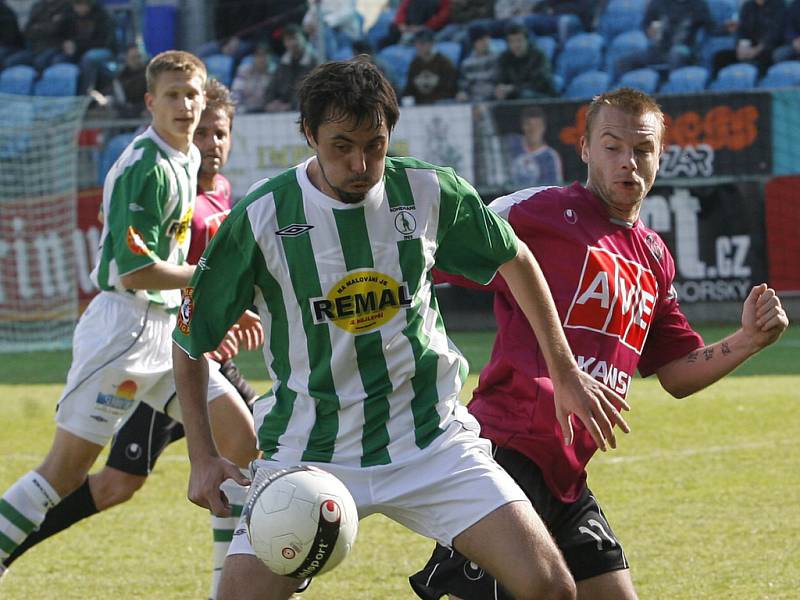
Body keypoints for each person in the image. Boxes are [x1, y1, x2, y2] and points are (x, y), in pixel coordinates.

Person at [172, 56, 632, 600]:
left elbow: (516, 258)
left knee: (552, 588)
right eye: (341, 145)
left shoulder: (428, 191)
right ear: (308, 134)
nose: (360, 163)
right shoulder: (262, 217)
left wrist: (566, 372)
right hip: (307, 451)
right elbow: (188, 340)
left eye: (375, 144)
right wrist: (202, 457)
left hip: (431, 443)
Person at [409, 87, 790, 600]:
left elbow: (675, 372)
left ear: (660, 156)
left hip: (568, 474)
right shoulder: (536, 212)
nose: (627, 162)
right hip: (506, 455)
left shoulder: (653, 255)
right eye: (612, 146)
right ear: (584, 148)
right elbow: (430, 256)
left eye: (642, 149)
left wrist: (747, 341)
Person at [0, 51, 259, 587]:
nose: (184, 105)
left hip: (165, 331)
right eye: (172, 95)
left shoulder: (186, 156)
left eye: (192, 94)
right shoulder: (145, 165)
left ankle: (228, 591)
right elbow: (136, 270)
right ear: (150, 102)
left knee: (241, 440)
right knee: (64, 474)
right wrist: (208, 279)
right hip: (125, 330)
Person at [613, 0, 715, 78]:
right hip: (659, 49)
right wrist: (649, 30)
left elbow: (711, 27)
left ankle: (673, 96)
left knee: (675, 55)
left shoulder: (697, 4)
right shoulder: (659, 2)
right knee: (623, 62)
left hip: (684, 48)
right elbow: (646, 24)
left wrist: (726, 28)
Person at [712, 0, 786, 75]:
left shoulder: (779, 6)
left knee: (766, 58)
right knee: (720, 57)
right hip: (749, 47)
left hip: (767, 49)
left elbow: (775, 33)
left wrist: (757, 49)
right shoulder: (748, 6)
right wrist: (742, 47)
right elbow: (742, 30)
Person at [60, 0, 116, 94]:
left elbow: (102, 41)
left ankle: (85, 95)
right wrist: (66, 44)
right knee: (58, 59)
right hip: (78, 50)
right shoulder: (69, 15)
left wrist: (77, 46)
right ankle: (64, 96)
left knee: (88, 58)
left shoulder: (101, 15)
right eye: (77, 4)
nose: (79, 8)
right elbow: (62, 35)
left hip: (105, 50)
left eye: (82, 4)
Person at [263, 23, 318, 113]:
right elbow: (271, 88)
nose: (292, 43)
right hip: (281, 112)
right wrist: (270, 103)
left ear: (303, 38)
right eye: (288, 40)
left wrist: (291, 106)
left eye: (295, 38)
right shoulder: (282, 64)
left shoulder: (315, 62)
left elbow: (313, 93)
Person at [495, 22, 556, 101]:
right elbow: (501, 79)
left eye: (519, 40)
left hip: (541, 96)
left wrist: (513, 88)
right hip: (514, 96)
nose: (516, 45)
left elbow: (540, 83)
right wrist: (501, 89)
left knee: (525, 95)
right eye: (511, 41)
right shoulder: (504, 58)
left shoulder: (539, 55)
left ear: (527, 40)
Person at [508, 105, 563, 187]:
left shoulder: (550, 156)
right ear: (523, 126)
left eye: (537, 125)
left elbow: (554, 188)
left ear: (543, 128)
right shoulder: (511, 145)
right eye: (528, 125)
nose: (533, 130)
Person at [402, 26, 457, 105]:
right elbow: (409, 89)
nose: (418, 47)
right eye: (416, 43)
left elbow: (450, 89)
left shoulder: (444, 63)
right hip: (419, 106)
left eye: (422, 43)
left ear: (431, 44)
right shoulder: (414, 64)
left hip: (440, 105)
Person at [378, 0, 451, 49]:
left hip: (428, 28)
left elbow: (442, 17)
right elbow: (402, 9)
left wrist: (422, 27)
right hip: (409, 26)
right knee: (388, 36)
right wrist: (401, 24)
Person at [455, 24, 499, 103]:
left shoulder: (497, 59)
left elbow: (498, 82)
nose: (486, 42)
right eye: (481, 40)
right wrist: (462, 94)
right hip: (473, 102)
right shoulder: (466, 64)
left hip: (493, 101)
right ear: (474, 43)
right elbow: (464, 86)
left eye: (487, 39)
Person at [231, 42, 274, 113]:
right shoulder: (243, 72)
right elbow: (235, 96)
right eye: (258, 55)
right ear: (253, 57)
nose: (262, 59)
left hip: (265, 113)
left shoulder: (273, 75)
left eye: (265, 55)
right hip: (244, 112)